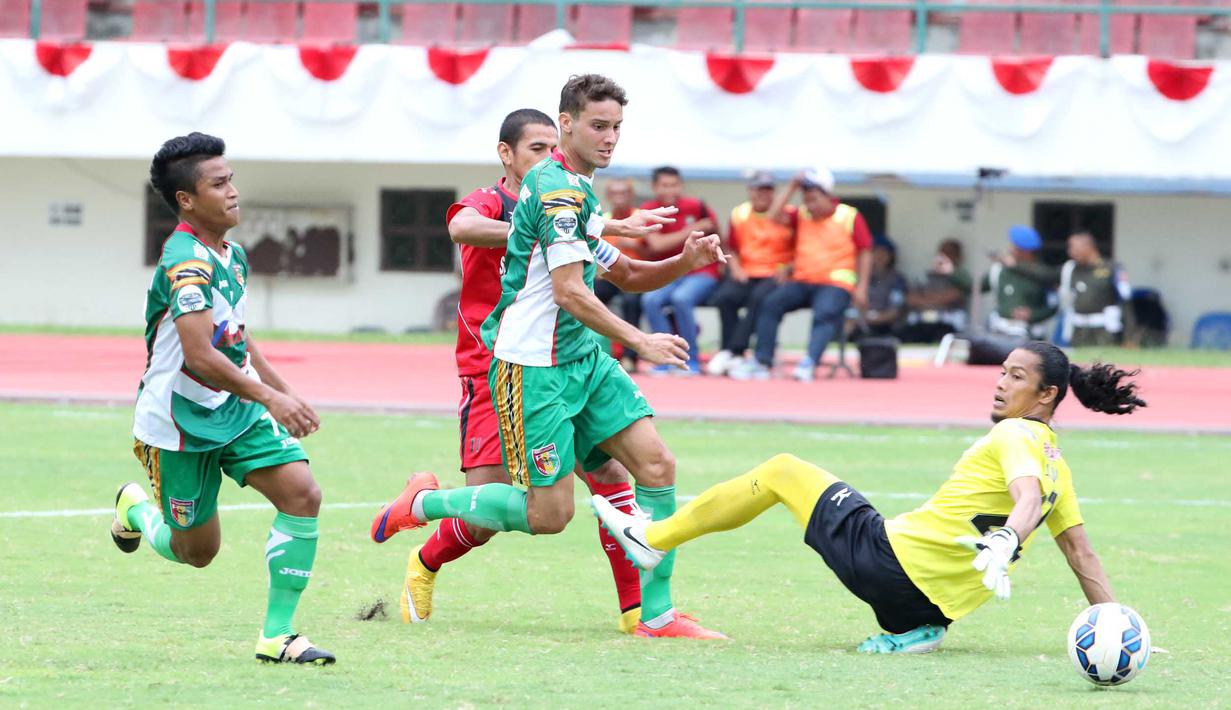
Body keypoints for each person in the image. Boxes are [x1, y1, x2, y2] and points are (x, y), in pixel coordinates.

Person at [371, 74, 728, 640]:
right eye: (598, 126)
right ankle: (426, 503)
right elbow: (567, 291)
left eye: (617, 127)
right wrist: (641, 341)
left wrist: (685, 261)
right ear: (567, 125)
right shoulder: (554, 192)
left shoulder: (577, 191)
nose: (610, 138)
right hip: (531, 367)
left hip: (583, 357)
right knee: (548, 515)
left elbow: (625, 272)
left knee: (653, 466)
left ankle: (654, 615)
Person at [594, 341, 1145, 653]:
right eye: (1002, 372)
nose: (1001, 384)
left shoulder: (1015, 434)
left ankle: (652, 538)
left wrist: (1005, 538)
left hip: (888, 564)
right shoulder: (1058, 465)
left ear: (1047, 395)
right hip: (926, 608)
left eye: (1017, 377)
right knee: (824, 492)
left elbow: (1024, 498)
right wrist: (1118, 628)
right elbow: (1081, 554)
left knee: (783, 470)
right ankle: (916, 632)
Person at [414, 110, 672, 634]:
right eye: (536, 148)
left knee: (613, 477)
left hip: (567, 362)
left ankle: (638, 612)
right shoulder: (494, 201)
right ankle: (424, 557)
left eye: (551, 148)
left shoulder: (568, 202)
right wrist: (535, 227)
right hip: (495, 364)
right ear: (506, 154)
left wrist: (602, 228)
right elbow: (460, 226)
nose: (547, 158)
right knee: (494, 513)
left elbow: (618, 269)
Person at [109, 133, 334, 665]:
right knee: (196, 552)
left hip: (237, 408)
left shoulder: (232, 255)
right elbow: (199, 356)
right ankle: (135, 510)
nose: (233, 191)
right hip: (178, 424)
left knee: (302, 494)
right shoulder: (185, 263)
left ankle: (278, 636)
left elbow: (235, 336)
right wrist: (272, 398)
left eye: (231, 179)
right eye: (219, 184)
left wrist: (281, 391)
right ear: (186, 200)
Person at [730, 167, 872, 382]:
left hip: (836, 283)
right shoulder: (802, 214)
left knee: (824, 313)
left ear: (828, 196)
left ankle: (809, 362)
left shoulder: (849, 215)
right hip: (803, 280)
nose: (810, 205)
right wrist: (792, 186)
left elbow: (865, 252)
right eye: (806, 200)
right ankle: (762, 361)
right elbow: (773, 215)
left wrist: (862, 287)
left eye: (814, 199)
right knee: (770, 303)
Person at [706, 170, 796, 376]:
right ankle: (729, 350)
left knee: (759, 298)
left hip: (775, 273)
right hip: (747, 272)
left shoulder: (788, 214)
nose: (763, 194)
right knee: (724, 297)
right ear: (750, 191)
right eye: (759, 189)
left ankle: (734, 350)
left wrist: (788, 269)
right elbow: (731, 247)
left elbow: (801, 246)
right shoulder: (740, 214)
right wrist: (736, 268)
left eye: (768, 190)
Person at [638, 166, 720, 376]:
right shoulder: (648, 209)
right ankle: (664, 358)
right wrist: (692, 229)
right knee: (650, 300)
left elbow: (718, 235)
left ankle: (691, 360)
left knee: (682, 298)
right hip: (668, 273)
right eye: (664, 185)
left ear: (681, 185)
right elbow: (657, 245)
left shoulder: (697, 206)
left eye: (674, 185)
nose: (670, 190)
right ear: (654, 187)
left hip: (701, 271)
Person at [595, 177, 648, 372]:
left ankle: (629, 356)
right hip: (609, 276)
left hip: (637, 276)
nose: (619, 198)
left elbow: (654, 251)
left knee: (631, 302)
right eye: (614, 193)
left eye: (623, 193)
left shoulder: (641, 217)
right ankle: (594, 350)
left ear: (631, 195)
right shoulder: (603, 219)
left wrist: (637, 247)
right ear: (608, 196)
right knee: (587, 294)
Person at [983, 225, 1058, 339]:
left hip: (1030, 334)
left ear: (1025, 251)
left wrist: (1033, 315)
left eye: (1015, 246)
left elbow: (1054, 305)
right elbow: (974, 286)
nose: (1010, 249)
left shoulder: (1041, 273)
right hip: (1001, 330)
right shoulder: (1001, 270)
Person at [1059, 232, 1133, 346]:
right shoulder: (1072, 269)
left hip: (1104, 330)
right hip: (1079, 330)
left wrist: (1129, 335)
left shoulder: (1111, 268)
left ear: (1088, 247)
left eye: (1074, 248)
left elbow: (1125, 300)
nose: (1070, 252)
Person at [901, 239, 973, 343]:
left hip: (947, 321)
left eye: (949, 253)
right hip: (922, 320)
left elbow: (954, 296)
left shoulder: (959, 277)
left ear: (958, 257)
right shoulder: (925, 276)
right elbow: (910, 299)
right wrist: (938, 298)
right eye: (942, 253)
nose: (944, 257)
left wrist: (926, 297)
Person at [859, 236, 908, 338]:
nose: (879, 256)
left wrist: (874, 318)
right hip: (860, 322)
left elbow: (895, 310)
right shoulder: (861, 277)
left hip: (886, 325)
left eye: (884, 252)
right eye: (876, 252)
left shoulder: (896, 279)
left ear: (891, 255)